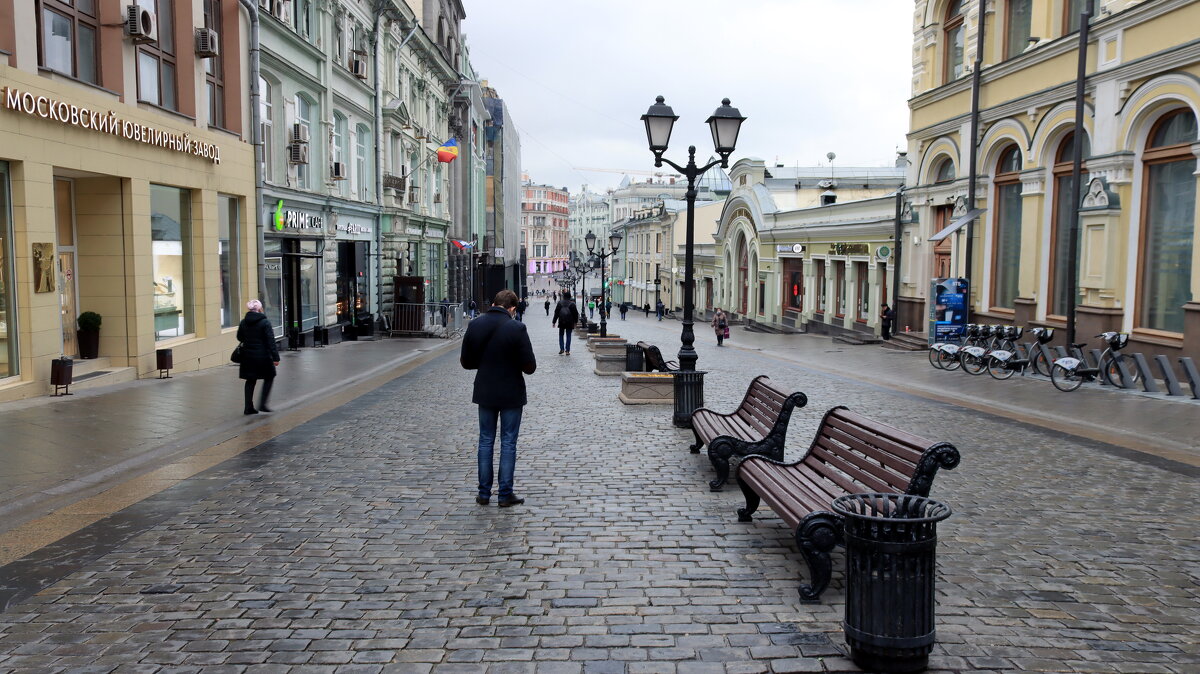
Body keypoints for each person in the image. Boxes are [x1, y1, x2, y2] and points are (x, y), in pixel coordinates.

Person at [460, 290, 536, 507]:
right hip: (511, 392)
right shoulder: (517, 328)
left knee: (485, 440)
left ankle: (483, 494)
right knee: (508, 442)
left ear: (494, 303)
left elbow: (466, 362)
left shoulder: (475, 325)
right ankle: (505, 494)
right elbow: (529, 367)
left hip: (485, 390)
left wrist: (485, 364)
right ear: (512, 308)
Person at [237, 300, 280, 415]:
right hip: (263, 356)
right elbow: (271, 341)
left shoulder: (243, 322)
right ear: (260, 309)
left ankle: (248, 407)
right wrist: (276, 358)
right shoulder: (265, 322)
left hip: (247, 356)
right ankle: (262, 404)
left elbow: (239, 337)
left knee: (250, 380)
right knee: (270, 376)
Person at [551, 291, 580, 355]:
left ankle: (561, 348)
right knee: (568, 335)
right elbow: (575, 314)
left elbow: (556, 313)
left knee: (561, 335)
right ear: (570, 297)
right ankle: (567, 350)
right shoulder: (572, 304)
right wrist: (576, 322)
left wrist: (554, 322)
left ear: (563, 296)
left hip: (562, 321)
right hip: (570, 322)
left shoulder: (560, 303)